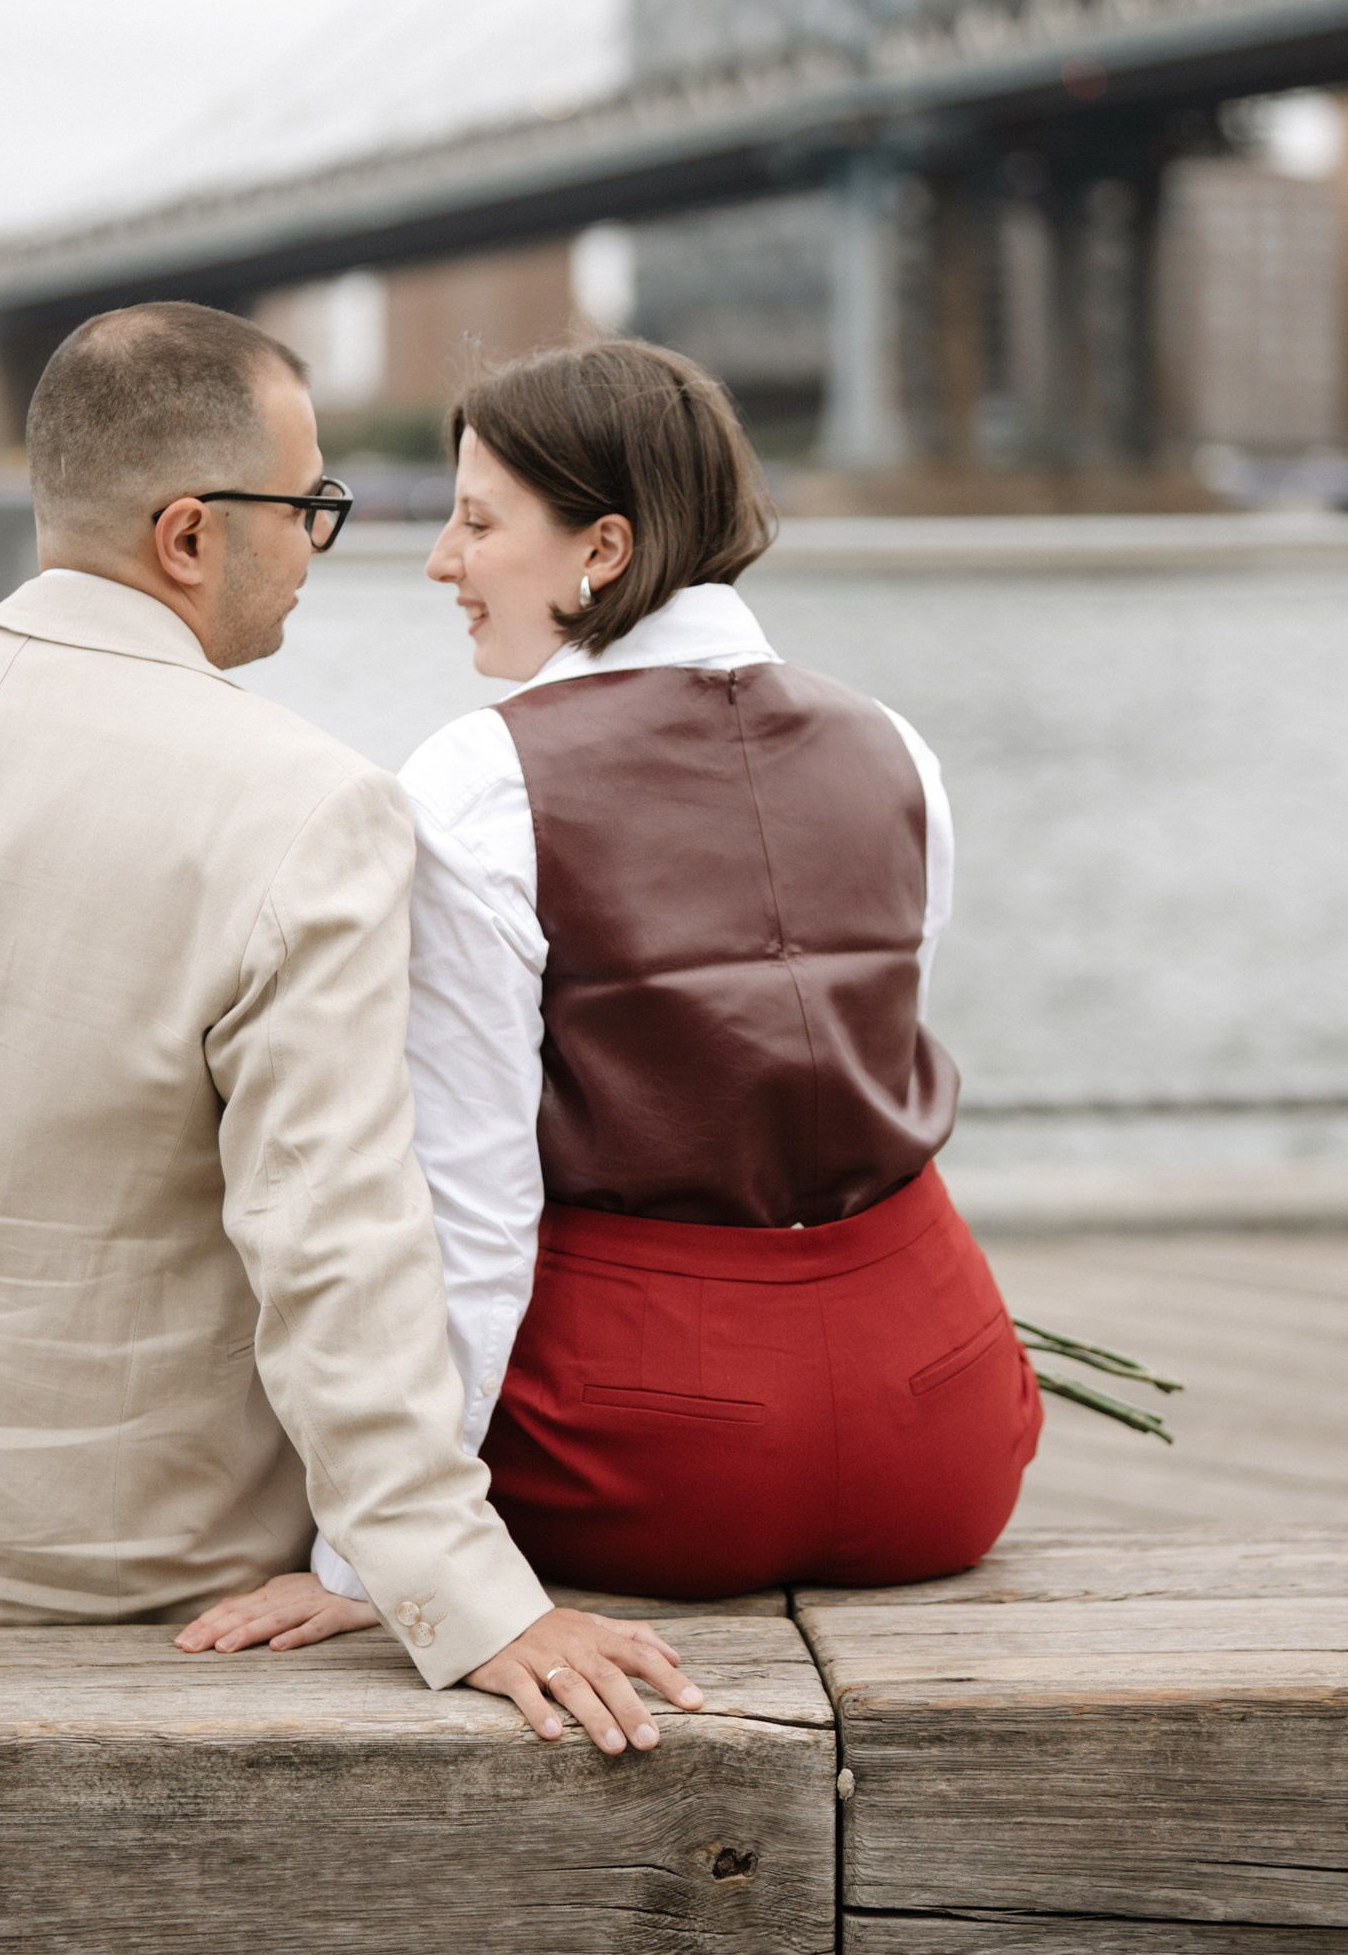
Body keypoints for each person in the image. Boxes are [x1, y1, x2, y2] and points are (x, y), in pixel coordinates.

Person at [0, 300, 699, 1755]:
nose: (322, 546)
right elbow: (334, 1244)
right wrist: (467, 1595)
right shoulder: (300, 804)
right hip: (56, 1547)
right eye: (309, 505)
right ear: (191, 535)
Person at [184, 337, 1038, 1652]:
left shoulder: (483, 780)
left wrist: (369, 1563)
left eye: (477, 522)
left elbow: (469, 1213)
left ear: (604, 550)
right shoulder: (894, 746)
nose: (441, 563)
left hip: (651, 1462)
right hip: (946, 1441)